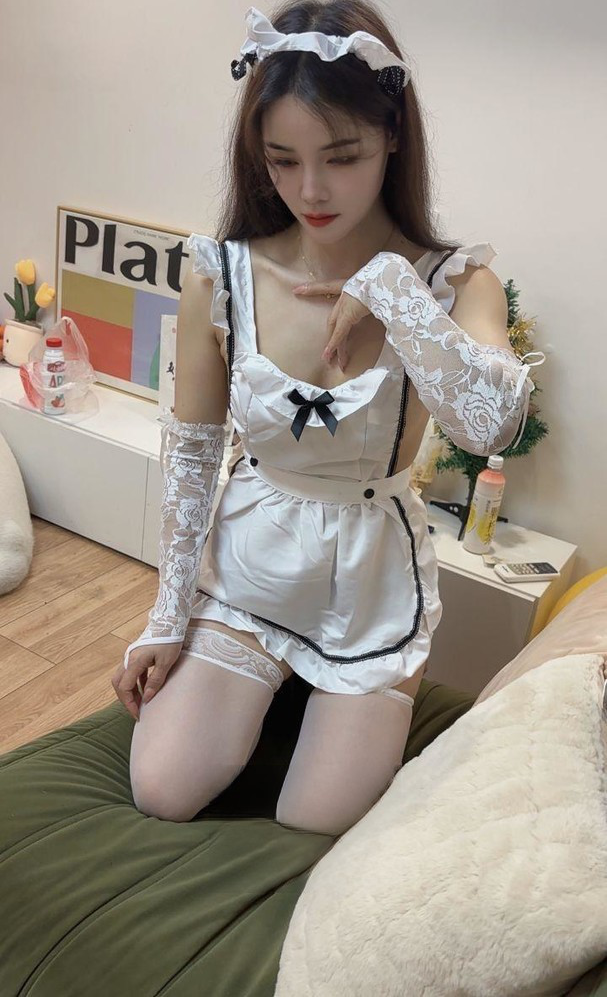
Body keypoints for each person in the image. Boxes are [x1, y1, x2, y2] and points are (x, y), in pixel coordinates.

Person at [112, 2, 545, 835]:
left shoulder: (454, 280)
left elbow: (491, 425)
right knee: (161, 788)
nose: (309, 190)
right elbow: (194, 456)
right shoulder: (221, 272)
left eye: (341, 157)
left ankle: (335, 689)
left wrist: (391, 288)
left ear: (391, 136)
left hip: (370, 579)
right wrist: (164, 618)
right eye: (282, 160)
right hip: (252, 562)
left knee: (316, 819)